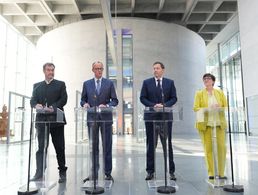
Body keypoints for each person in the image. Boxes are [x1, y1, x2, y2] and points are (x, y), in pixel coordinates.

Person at [80, 61, 118, 182]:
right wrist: (84, 104)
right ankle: (93, 173)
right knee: (93, 147)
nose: (99, 70)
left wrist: (107, 105)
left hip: (106, 119)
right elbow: (82, 100)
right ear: (93, 70)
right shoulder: (87, 84)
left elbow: (115, 101)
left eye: (101, 68)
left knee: (107, 146)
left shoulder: (109, 83)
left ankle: (107, 173)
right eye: (97, 68)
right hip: (92, 119)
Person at [30, 62, 68, 183]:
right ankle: (39, 172)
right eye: (48, 70)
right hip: (41, 121)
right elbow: (32, 100)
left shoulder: (61, 84)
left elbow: (63, 99)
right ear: (44, 71)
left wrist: (53, 107)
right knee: (41, 148)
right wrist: (36, 105)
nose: (51, 72)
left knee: (60, 147)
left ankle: (62, 171)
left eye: (52, 70)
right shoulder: (36, 86)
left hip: (57, 120)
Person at [140, 61, 177, 181]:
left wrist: (164, 105)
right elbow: (142, 98)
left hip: (165, 117)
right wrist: (153, 105)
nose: (155, 70)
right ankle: (150, 171)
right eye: (154, 68)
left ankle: (171, 171)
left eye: (157, 68)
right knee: (151, 145)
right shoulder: (146, 82)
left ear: (163, 70)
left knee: (167, 145)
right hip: (151, 118)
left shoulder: (169, 83)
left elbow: (174, 98)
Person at [193, 73, 227, 180]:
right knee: (208, 149)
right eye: (204, 79)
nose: (206, 80)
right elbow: (195, 108)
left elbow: (226, 106)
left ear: (213, 81)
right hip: (205, 125)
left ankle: (221, 173)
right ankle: (211, 172)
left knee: (222, 148)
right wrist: (207, 107)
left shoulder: (220, 93)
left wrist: (219, 106)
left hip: (219, 124)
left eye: (208, 78)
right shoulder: (199, 93)